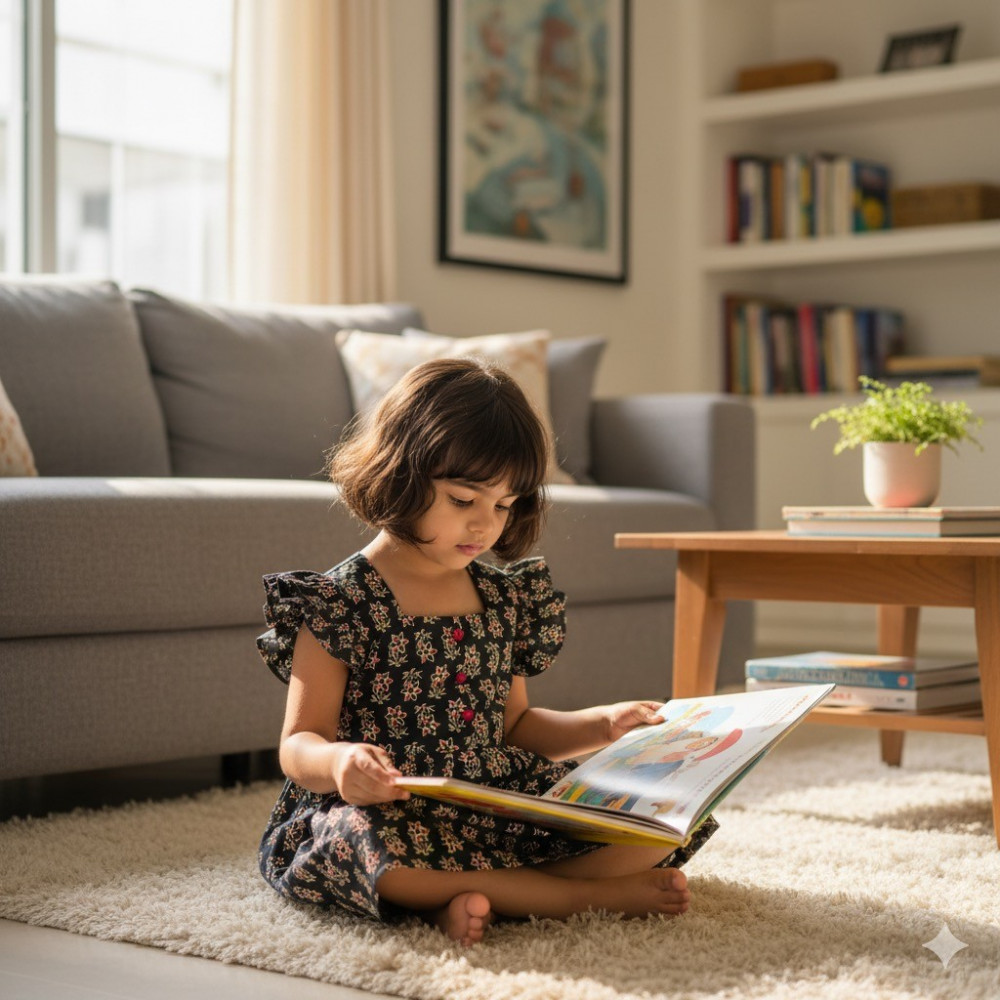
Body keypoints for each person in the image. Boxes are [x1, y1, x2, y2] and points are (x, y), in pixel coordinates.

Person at [255, 358, 717, 946]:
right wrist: (341, 765)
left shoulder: (501, 596)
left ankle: (478, 896)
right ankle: (577, 896)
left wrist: (604, 725)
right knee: (371, 856)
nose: (484, 525)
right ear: (400, 474)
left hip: (492, 798)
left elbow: (518, 725)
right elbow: (299, 745)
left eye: (503, 505)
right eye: (463, 499)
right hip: (393, 807)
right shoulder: (337, 601)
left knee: (662, 825)